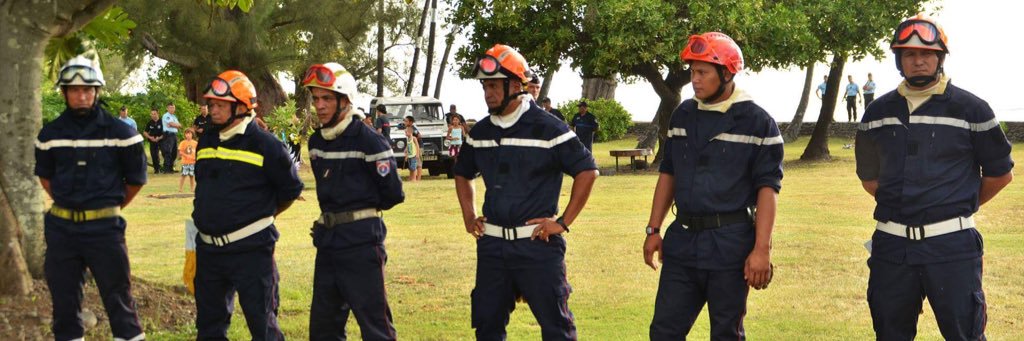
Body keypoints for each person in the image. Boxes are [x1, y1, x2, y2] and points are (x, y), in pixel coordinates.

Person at [855, 14, 1014, 341]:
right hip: (892, 248)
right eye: (909, 55)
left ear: (939, 58)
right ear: (899, 60)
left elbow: (1000, 174)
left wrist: (954, 205)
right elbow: (870, 179)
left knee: (965, 335)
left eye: (926, 54)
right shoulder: (876, 114)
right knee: (889, 334)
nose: (918, 61)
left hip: (951, 246)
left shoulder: (973, 110)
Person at [644, 32, 783, 340]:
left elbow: (767, 189)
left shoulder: (758, 122)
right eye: (692, 72)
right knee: (664, 331)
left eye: (702, 72)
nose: (694, 80)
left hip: (730, 245)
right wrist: (653, 230)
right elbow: (668, 173)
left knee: (726, 333)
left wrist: (762, 249)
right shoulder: (682, 115)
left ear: (727, 73)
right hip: (682, 242)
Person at [454, 44, 598, 340]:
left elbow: (587, 171)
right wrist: (469, 217)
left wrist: (563, 222)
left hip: (538, 247)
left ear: (516, 85)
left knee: (557, 328)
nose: (488, 93)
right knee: (487, 327)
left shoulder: (550, 128)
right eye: (485, 86)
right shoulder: (479, 132)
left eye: (494, 85)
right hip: (492, 248)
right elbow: (462, 173)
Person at [35, 54, 148, 341]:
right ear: (64, 93)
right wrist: (71, 203)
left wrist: (105, 207)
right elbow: (46, 178)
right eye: (74, 90)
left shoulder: (123, 134)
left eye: (87, 90)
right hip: (62, 230)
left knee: (119, 300)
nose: (82, 96)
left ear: (96, 91)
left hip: (105, 231)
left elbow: (135, 180)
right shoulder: (49, 135)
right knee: (64, 305)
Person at [192, 70, 304, 340]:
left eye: (219, 105)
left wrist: (257, 218)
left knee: (262, 324)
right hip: (208, 251)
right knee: (208, 328)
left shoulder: (267, 145)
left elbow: (289, 191)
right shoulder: (206, 140)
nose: (212, 110)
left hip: (252, 251)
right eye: (211, 104)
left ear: (241, 107)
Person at [303, 62, 405, 340]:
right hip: (328, 242)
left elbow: (393, 194)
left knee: (375, 326)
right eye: (316, 99)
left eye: (327, 98)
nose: (319, 105)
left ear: (345, 101)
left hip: (361, 244)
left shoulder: (370, 141)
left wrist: (360, 212)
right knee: (323, 328)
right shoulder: (316, 143)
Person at [160, 102, 183, 173]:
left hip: (174, 135)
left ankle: (171, 168)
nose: (172, 109)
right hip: (168, 135)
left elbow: (180, 125)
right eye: (171, 108)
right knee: (168, 152)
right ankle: (166, 169)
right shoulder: (166, 115)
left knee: (174, 152)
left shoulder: (174, 117)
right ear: (167, 108)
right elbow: (171, 124)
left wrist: (174, 125)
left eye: (173, 108)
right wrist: (175, 125)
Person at [143, 108, 164, 173]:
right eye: (151, 114)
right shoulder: (149, 122)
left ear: (158, 114)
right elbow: (145, 132)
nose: (153, 115)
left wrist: (159, 138)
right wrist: (150, 137)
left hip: (162, 141)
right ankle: (156, 169)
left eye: (154, 114)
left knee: (165, 154)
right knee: (154, 155)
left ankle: (166, 168)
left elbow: (165, 132)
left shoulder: (162, 121)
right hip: (152, 141)